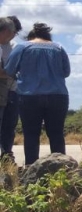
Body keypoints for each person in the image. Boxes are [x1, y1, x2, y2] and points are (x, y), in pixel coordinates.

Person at [3, 23, 70, 166]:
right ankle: (61, 169)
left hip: (29, 96)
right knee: (56, 134)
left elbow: (9, 70)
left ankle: (31, 170)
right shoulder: (58, 47)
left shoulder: (22, 47)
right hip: (58, 95)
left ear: (31, 36)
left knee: (31, 135)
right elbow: (66, 72)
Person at [0, 16, 22, 162]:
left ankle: (6, 154)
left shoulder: (15, 47)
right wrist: (9, 72)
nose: (14, 35)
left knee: (9, 124)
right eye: (13, 32)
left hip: (13, 91)